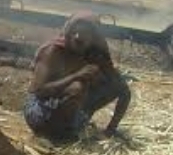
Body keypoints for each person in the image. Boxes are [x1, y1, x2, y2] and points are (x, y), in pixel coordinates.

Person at [24, 11, 131, 141]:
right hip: (40, 113)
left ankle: (75, 125)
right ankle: (60, 135)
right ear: (68, 32)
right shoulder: (54, 51)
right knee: (76, 87)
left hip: (74, 113)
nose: (77, 37)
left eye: (85, 34)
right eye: (74, 32)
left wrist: (110, 130)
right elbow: (38, 90)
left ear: (93, 38)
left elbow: (123, 90)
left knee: (114, 85)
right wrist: (76, 76)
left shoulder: (96, 53)